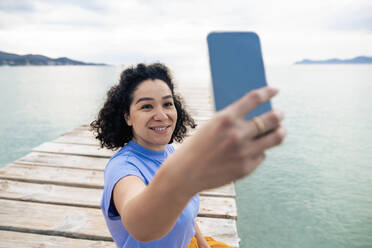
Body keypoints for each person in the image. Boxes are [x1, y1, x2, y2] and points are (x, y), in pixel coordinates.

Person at [91, 63, 286, 248]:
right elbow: (141, 225)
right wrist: (187, 177)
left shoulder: (168, 151)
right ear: (127, 116)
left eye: (167, 104)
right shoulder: (122, 168)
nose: (161, 115)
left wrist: (204, 244)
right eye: (146, 106)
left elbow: (186, 216)